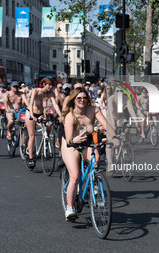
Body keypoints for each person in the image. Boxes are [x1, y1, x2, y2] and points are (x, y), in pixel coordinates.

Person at [61, 87, 117, 221]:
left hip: (86, 142)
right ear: (74, 100)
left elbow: (106, 124)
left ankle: (94, 183)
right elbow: (69, 138)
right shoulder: (70, 115)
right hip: (70, 144)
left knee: (96, 159)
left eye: (84, 98)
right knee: (74, 176)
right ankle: (70, 208)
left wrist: (114, 137)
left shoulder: (93, 110)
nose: (82, 100)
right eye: (79, 98)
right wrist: (74, 140)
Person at [25, 77, 62, 167]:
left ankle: (45, 143)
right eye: (48, 85)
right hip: (30, 113)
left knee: (48, 128)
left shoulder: (50, 93)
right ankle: (30, 158)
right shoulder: (36, 91)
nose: (50, 87)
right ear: (44, 84)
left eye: (51, 85)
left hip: (40, 113)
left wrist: (61, 115)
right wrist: (32, 116)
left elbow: (55, 104)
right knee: (32, 136)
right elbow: (30, 104)